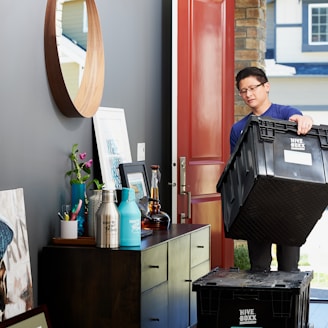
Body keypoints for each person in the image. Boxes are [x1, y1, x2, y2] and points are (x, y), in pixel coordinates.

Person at [231, 66, 313, 272]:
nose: (248, 94)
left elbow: (298, 118)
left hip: (289, 204)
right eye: (243, 91)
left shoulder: (284, 113)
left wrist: (304, 120)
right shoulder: (238, 128)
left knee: (289, 268)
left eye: (253, 88)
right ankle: (264, 305)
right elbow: (237, 168)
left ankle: (289, 306)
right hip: (256, 207)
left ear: (266, 86)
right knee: (258, 268)